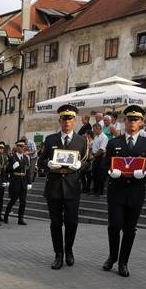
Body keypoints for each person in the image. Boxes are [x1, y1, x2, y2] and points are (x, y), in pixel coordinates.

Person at [103, 105, 146, 277]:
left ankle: (123, 262)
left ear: (141, 123)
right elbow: (105, 165)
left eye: (136, 120)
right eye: (129, 119)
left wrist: (144, 173)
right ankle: (112, 256)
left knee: (130, 229)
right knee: (114, 226)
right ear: (124, 122)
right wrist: (111, 172)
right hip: (116, 191)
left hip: (135, 192)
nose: (132, 122)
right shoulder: (113, 142)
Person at [38, 105, 90, 270]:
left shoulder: (82, 141)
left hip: (72, 187)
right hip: (54, 187)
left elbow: (89, 162)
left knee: (72, 222)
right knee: (55, 223)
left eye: (70, 119)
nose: (67, 122)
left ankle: (69, 250)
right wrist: (48, 164)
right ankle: (58, 254)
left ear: (75, 121)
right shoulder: (50, 139)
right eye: (64, 119)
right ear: (60, 121)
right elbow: (41, 160)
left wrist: (80, 165)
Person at [3, 138, 32, 225]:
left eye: (23, 146)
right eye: (20, 146)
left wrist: (29, 182)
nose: (21, 148)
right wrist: (12, 168)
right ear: (17, 147)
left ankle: (20, 218)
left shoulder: (26, 158)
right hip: (15, 181)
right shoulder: (12, 158)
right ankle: (6, 215)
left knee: (23, 201)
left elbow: (28, 171)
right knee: (13, 200)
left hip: (23, 181)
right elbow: (7, 170)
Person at [90, 122, 108, 197]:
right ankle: (95, 189)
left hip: (100, 158)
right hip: (95, 157)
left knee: (100, 175)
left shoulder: (104, 137)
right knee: (95, 175)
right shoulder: (96, 137)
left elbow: (101, 149)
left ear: (98, 129)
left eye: (94, 130)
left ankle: (100, 191)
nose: (93, 131)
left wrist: (94, 157)